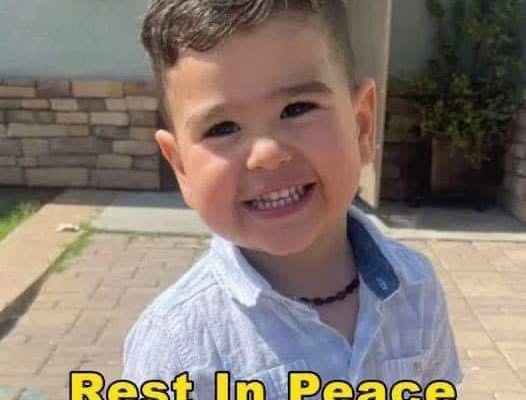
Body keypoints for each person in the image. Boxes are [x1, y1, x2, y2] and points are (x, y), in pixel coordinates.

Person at [122, 0, 463, 398]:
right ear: (181, 167)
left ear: (361, 126)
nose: (266, 154)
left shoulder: (416, 288)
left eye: (296, 109)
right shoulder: (177, 344)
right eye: (222, 128)